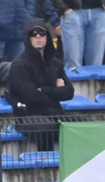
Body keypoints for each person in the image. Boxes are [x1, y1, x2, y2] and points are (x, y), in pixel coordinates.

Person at [7, 19, 74, 151]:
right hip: (28, 117)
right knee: (46, 126)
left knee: (82, 124)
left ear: (47, 36)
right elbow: (33, 97)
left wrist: (43, 89)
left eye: (42, 33)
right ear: (28, 37)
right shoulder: (19, 65)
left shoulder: (56, 63)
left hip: (56, 114)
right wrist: (56, 90)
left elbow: (69, 92)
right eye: (33, 33)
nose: (38, 36)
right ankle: (46, 164)